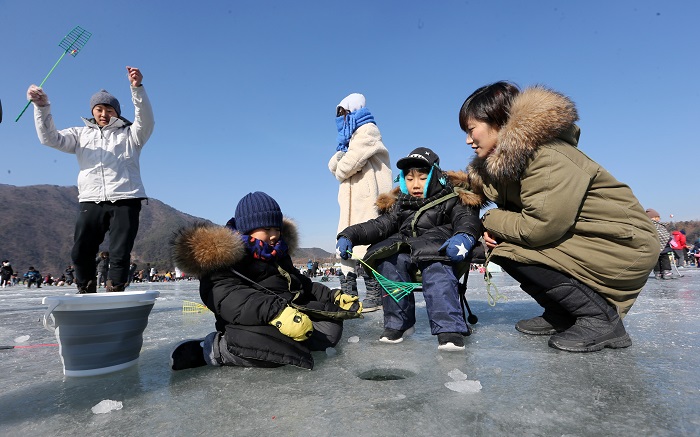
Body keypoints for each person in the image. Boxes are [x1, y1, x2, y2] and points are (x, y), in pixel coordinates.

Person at [458, 81, 658, 353]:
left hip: (624, 245)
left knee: (509, 248)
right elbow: (481, 189)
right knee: (505, 247)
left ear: (498, 120)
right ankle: (564, 313)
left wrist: (490, 221)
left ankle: (601, 319)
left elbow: (539, 228)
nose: (469, 140)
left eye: (471, 130)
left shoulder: (547, 156)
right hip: (595, 240)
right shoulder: (509, 163)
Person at [170, 191, 363, 371]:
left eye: (277, 229)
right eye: (267, 229)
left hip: (286, 313)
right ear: (248, 228)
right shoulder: (226, 259)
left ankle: (285, 346)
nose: (274, 235)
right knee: (275, 347)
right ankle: (217, 348)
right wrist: (276, 313)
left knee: (330, 329)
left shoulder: (277, 252)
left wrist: (333, 296)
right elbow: (227, 297)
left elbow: (300, 283)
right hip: (250, 322)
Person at [336, 147, 484, 351]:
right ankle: (399, 324)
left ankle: (449, 329)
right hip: (407, 253)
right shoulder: (400, 205)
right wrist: (348, 234)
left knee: (436, 269)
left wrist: (464, 236)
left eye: (422, 178)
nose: (415, 184)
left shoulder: (453, 198)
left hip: (439, 253)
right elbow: (380, 225)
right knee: (389, 261)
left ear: (435, 177)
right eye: (409, 178)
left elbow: (466, 219)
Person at [27, 66, 154, 294]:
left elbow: (146, 120)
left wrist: (137, 89)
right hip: (90, 199)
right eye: (99, 109)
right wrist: (42, 107)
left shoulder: (131, 134)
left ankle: (115, 291)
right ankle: (85, 289)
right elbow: (49, 138)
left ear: (116, 111)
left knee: (120, 252)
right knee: (81, 250)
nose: (104, 114)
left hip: (125, 198)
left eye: (109, 109)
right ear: (92, 111)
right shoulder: (80, 134)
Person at [329, 93, 393, 312]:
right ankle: (349, 295)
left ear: (353, 111)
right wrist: (341, 152)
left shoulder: (368, 132)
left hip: (367, 199)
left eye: (343, 113)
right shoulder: (350, 139)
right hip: (350, 202)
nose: (340, 120)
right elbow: (333, 165)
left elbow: (345, 168)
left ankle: (374, 293)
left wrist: (341, 159)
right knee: (344, 246)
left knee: (365, 244)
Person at [645, 209, 674, 279]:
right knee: (665, 258)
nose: (659, 219)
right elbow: (664, 235)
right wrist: (669, 239)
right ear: (653, 218)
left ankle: (657, 272)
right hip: (663, 246)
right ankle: (666, 271)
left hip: (653, 246)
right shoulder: (657, 226)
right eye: (657, 217)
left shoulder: (647, 225)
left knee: (656, 259)